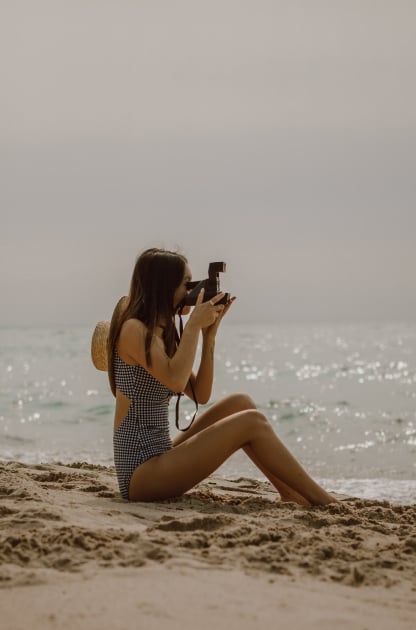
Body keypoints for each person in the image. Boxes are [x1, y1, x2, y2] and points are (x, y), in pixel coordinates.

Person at [107, 247, 337, 505]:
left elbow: (200, 394)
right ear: (164, 287)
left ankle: (291, 494)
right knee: (252, 422)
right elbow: (175, 380)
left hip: (161, 454)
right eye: (187, 284)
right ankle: (325, 501)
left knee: (241, 403)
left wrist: (209, 337)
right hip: (140, 473)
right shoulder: (134, 330)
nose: (194, 291)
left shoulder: (165, 332)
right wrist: (194, 325)